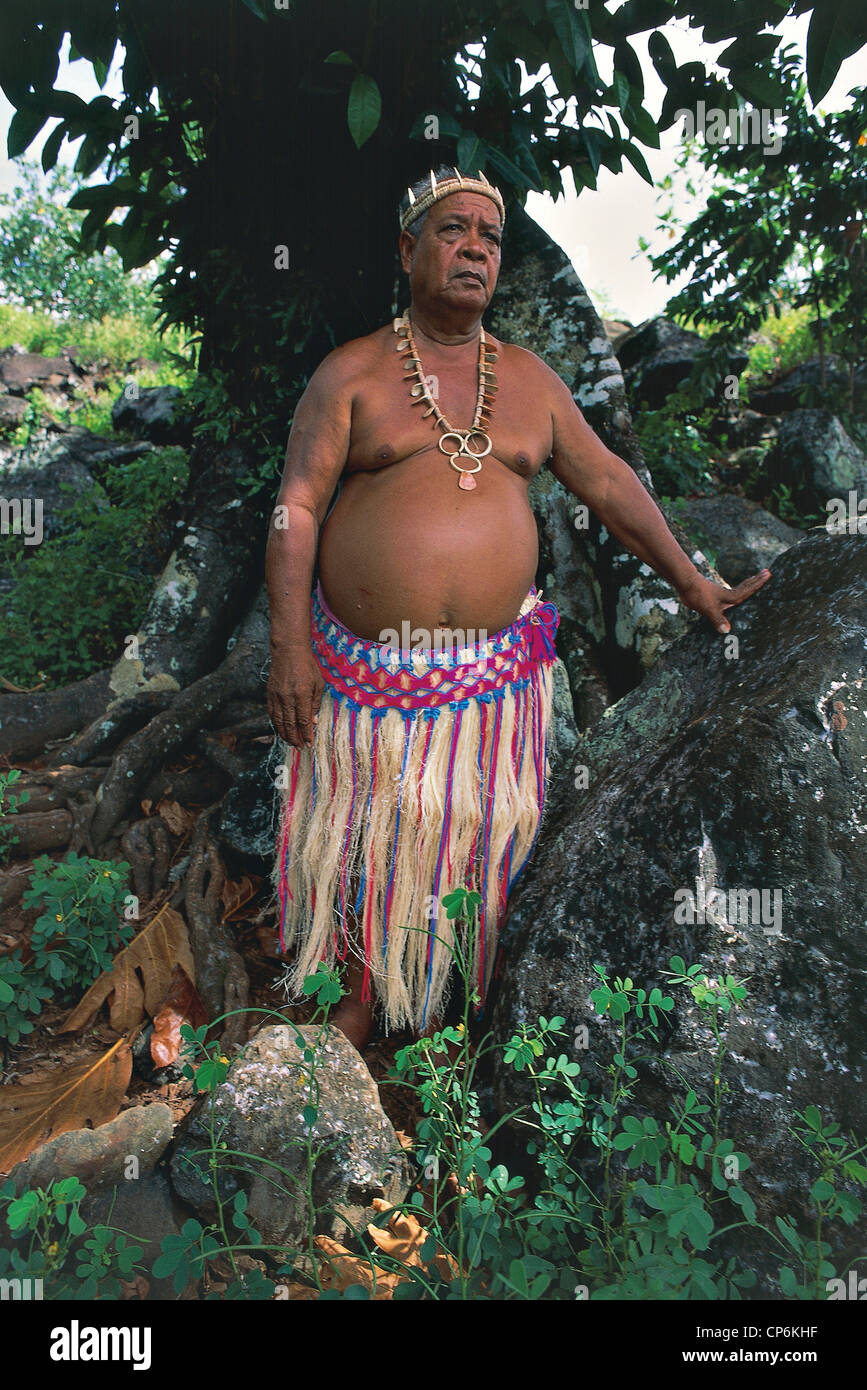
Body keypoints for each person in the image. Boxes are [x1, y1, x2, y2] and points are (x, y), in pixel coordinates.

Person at [265, 166, 770, 1049]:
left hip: (493, 687)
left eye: (489, 238)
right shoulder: (350, 373)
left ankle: (455, 992)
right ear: (407, 248)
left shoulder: (530, 382)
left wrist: (695, 584)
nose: (473, 249)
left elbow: (609, 483)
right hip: (364, 680)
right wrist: (288, 649)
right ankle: (352, 993)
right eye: (453, 230)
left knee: (478, 827)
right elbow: (297, 508)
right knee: (362, 828)